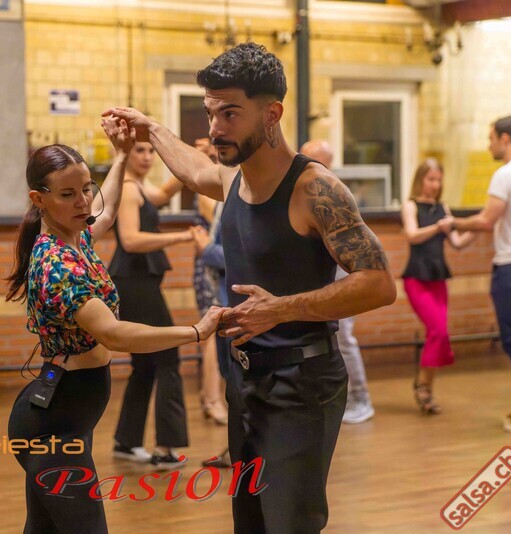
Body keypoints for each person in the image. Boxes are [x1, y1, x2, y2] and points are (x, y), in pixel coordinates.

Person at [104, 42, 396, 533]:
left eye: (230, 114)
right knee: (251, 522)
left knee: (288, 523)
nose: (216, 127)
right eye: (211, 113)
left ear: (271, 114)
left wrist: (280, 308)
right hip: (246, 380)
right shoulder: (232, 177)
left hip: (302, 382)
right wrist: (150, 127)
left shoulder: (314, 189)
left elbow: (379, 284)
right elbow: (193, 169)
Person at [5, 118, 223, 534]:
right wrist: (195, 332)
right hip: (53, 426)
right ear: (39, 199)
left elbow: (105, 211)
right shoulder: (56, 264)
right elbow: (114, 334)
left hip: (64, 415)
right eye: (68, 194)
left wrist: (121, 155)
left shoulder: (75, 237)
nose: (83, 202)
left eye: (86, 188)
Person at [109, 140, 197, 468]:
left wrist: (193, 162)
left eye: (151, 151)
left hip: (136, 282)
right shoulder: (128, 189)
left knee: (145, 364)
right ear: (126, 152)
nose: (147, 157)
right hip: (134, 283)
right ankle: (165, 448)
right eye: (140, 151)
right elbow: (130, 240)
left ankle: (127, 441)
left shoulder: (138, 187)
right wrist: (182, 237)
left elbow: (162, 194)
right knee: (168, 358)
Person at [438, 116, 511, 432]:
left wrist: (453, 223)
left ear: (505, 139)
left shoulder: (506, 174)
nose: (488, 145)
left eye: (491, 139)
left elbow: (488, 220)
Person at [301, 139, 375, 423]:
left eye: (311, 160)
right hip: (319, 275)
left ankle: (361, 399)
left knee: (343, 338)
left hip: (341, 273)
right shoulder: (306, 191)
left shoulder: (335, 193)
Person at [401, 159, 475, 415]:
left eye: (438, 180)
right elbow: (412, 235)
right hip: (416, 278)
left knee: (440, 333)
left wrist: (478, 226)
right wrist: (437, 227)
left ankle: (425, 388)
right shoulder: (410, 205)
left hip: (438, 279)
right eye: (430, 179)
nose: (435, 184)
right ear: (420, 179)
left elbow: (457, 242)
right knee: (437, 330)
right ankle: (423, 386)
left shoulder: (443, 208)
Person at [192, 137, 228, 426]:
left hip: (216, 264)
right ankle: (213, 400)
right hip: (210, 270)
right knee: (212, 335)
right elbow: (215, 214)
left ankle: (209, 396)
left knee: (215, 336)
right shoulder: (208, 189)